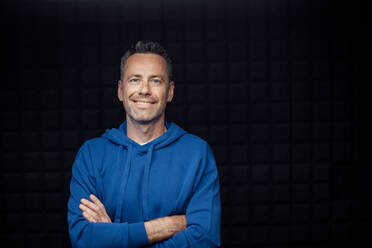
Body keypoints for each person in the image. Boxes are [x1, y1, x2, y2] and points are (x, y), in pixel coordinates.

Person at [67, 41, 221, 247]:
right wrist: (164, 226)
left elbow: (205, 240)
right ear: (121, 90)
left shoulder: (197, 154)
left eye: (155, 81)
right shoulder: (92, 154)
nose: (144, 90)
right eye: (134, 80)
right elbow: (83, 237)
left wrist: (112, 234)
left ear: (170, 91)